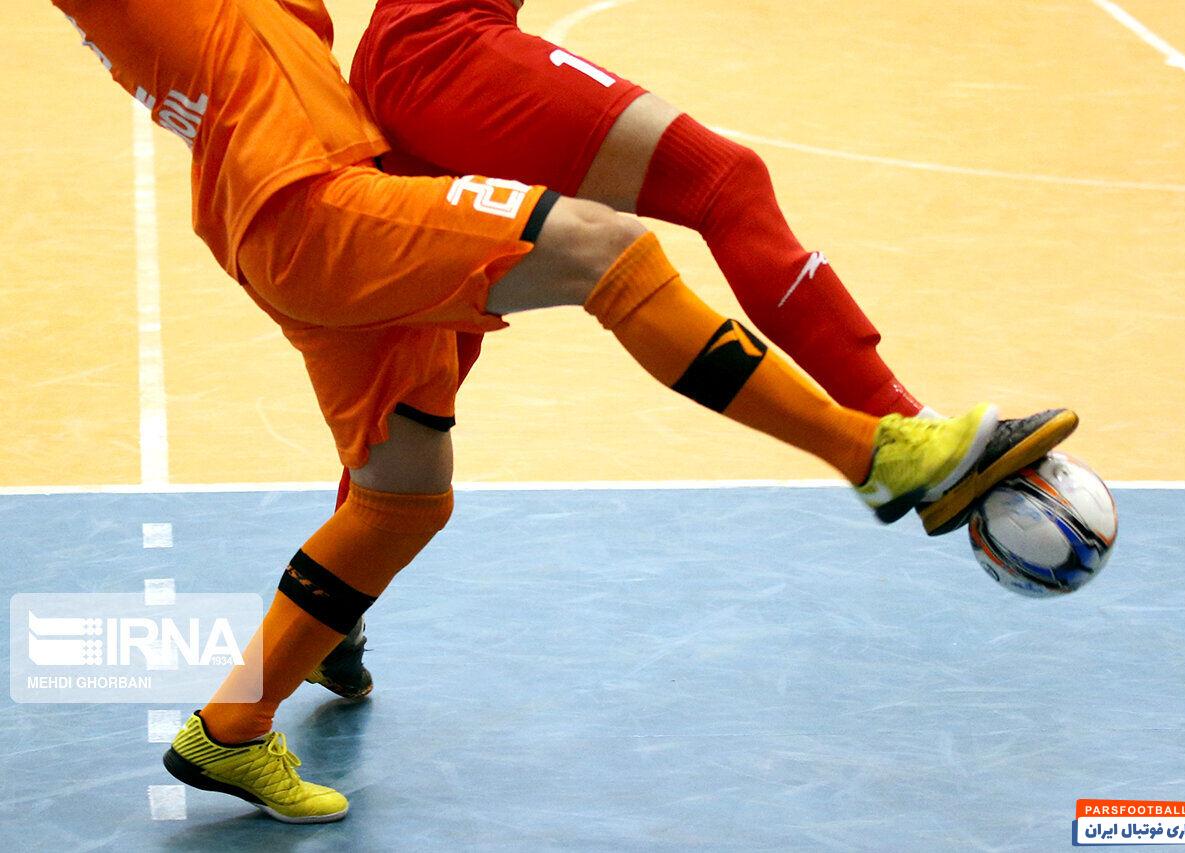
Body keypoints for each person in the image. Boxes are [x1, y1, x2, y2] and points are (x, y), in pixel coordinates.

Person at [53, 0, 1076, 823]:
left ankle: (230, 728)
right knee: (602, 249)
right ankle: (877, 452)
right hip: (317, 208)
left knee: (401, 501)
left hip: (302, 223)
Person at [312, 0, 947, 697]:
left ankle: (324, 618)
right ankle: (908, 435)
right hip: (446, 46)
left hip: (405, 56)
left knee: (422, 370)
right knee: (724, 181)